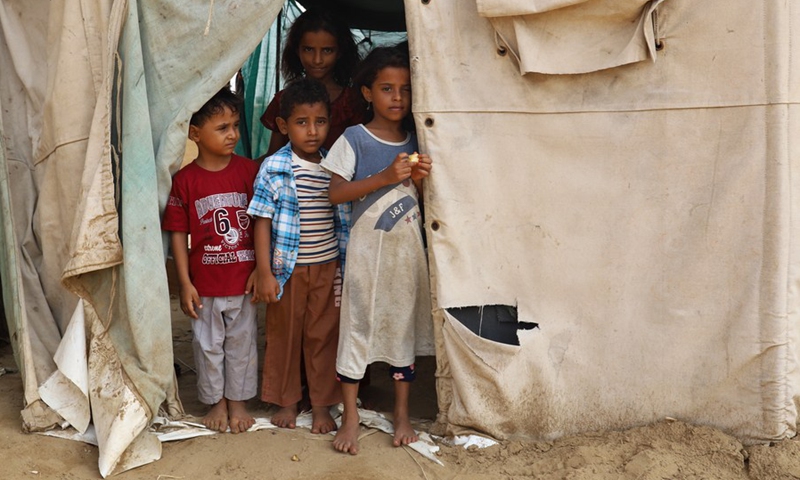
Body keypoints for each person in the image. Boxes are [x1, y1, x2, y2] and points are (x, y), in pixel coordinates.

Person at [321, 45, 433, 455]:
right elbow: (335, 193)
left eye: (404, 89)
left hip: (406, 259)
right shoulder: (354, 139)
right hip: (367, 259)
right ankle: (350, 417)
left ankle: (401, 414)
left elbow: (421, 200)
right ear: (367, 92)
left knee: (402, 331)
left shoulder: (419, 138)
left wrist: (417, 179)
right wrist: (386, 175)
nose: (397, 97)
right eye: (387, 88)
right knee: (358, 331)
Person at [248, 78, 349, 434]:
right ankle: (286, 401)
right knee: (284, 336)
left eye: (320, 122)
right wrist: (264, 271)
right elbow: (261, 220)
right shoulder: (274, 167)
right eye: (301, 123)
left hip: (327, 269)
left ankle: (321, 406)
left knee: (324, 337)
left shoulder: (332, 166)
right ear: (283, 125)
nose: (312, 131)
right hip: (286, 270)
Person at [162, 87, 259, 434]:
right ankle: (216, 401)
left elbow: (264, 224)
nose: (232, 133)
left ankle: (238, 402)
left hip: (243, 280)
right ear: (195, 134)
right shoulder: (185, 181)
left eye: (234, 125)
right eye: (222, 127)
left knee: (242, 345)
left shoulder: (249, 172)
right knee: (206, 347)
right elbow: (177, 233)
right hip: (204, 285)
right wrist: (185, 283)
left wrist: (262, 269)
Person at [260, 9, 364, 157]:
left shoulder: (351, 101)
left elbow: (361, 155)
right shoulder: (283, 100)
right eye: (308, 49)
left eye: (327, 50)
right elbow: (273, 155)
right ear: (297, 50)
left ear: (340, 52)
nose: (317, 60)